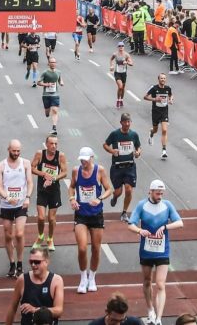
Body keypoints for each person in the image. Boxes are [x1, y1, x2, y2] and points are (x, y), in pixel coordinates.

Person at [128, 180, 185, 325]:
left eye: (162, 193)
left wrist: (165, 227)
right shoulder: (142, 205)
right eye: (157, 193)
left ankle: (159, 319)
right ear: (150, 192)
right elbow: (131, 225)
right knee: (147, 281)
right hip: (146, 251)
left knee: (160, 284)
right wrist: (140, 231)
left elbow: (180, 223)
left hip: (162, 251)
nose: (160, 196)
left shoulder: (167, 205)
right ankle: (150, 310)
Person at [70, 147, 114, 294]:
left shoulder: (99, 171)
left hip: (96, 214)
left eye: (85, 159)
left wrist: (99, 198)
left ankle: (92, 277)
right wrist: (72, 199)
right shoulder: (76, 171)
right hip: (81, 214)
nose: (83, 162)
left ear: (91, 158)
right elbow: (71, 187)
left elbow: (109, 189)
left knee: (95, 248)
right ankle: (83, 277)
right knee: (82, 248)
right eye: (81, 159)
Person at [0, 139, 33, 278]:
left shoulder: (25, 163)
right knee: (8, 235)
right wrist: (7, 197)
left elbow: (30, 183)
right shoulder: (0, 166)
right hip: (6, 205)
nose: (16, 153)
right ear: (8, 149)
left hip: (21, 204)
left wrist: (28, 197)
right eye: (14, 151)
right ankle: (11, 263)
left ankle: (19, 263)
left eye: (18, 151)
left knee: (19, 233)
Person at [4, 246, 64, 325]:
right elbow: (12, 308)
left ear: (46, 262)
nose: (33, 264)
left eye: (37, 262)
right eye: (31, 261)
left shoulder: (56, 281)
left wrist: (35, 310)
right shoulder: (22, 280)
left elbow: (59, 311)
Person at [31, 134, 68, 251]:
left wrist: (53, 178)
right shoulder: (40, 154)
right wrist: (43, 174)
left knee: (51, 219)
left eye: (56, 144)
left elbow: (65, 172)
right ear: (46, 144)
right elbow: (32, 168)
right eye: (51, 144)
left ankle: (50, 238)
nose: (54, 146)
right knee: (41, 217)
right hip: (42, 190)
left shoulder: (60, 156)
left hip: (54, 191)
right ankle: (40, 236)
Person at [105, 113, 142, 223]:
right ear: (121, 122)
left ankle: (124, 212)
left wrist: (138, 153)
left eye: (129, 122)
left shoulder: (134, 135)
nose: (127, 124)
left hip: (129, 167)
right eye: (125, 122)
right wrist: (112, 151)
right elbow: (105, 144)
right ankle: (115, 197)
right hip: (117, 168)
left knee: (129, 189)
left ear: (130, 122)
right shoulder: (115, 134)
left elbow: (138, 147)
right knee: (118, 192)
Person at [145, 73, 173, 160]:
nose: (163, 80)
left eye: (164, 78)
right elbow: (145, 97)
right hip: (155, 112)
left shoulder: (168, 88)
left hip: (164, 112)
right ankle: (151, 133)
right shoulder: (154, 88)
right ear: (158, 79)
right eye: (161, 78)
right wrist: (154, 99)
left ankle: (164, 151)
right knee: (155, 130)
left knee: (164, 130)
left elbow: (171, 95)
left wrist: (171, 99)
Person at [36, 57, 64, 134]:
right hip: (46, 95)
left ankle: (54, 128)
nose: (53, 64)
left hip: (55, 95)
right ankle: (47, 112)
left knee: (55, 110)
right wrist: (47, 84)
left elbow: (60, 79)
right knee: (47, 113)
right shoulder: (45, 72)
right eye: (51, 62)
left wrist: (61, 82)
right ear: (48, 63)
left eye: (54, 62)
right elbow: (38, 82)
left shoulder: (58, 72)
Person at [110, 42, 134, 109]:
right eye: (120, 46)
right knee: (120, 87)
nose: (121, 47)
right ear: (118, 47)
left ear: (124, 47)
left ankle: (121, 100)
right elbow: (111, 59)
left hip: (123, 73)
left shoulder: (126, 55)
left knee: (123, 88)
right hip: (117, 73)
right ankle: (118, 100)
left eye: (122, 46)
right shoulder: (115, 54)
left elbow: (131, 63)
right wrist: (111, 66)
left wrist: (127, 63)